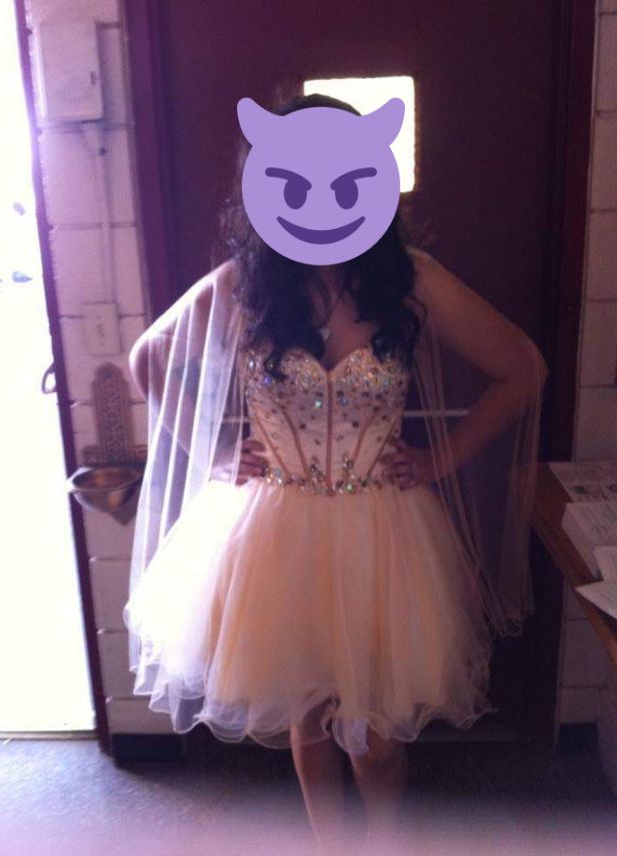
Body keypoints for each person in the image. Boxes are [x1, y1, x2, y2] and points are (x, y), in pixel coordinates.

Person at [123, 93, 548, 854]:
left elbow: (522, 368)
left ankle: (381, 842)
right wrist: (211, 454)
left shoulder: (412, 280)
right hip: (272, 527)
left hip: (382, 528)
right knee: (310, 715)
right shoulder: (244, 284)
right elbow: (147, 359)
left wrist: (442, 458)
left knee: (376, 740)